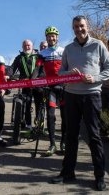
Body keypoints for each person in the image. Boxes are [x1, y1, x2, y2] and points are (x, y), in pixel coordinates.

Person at [51, 15, 109, 191]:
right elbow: (60, 72)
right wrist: (69, 73)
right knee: (71, 135)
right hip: (71, 95)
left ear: (87, 26)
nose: (79, 29)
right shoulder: (69, 49)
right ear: (73, 29)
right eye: (76, 27)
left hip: (91, 95)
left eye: (82, 26)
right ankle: (68, 173)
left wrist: (94, 78)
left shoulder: (98, 45)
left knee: (94, 136)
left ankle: (99, 176)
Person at [32, 26, 66, 156]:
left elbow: (69, 66)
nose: (51, 38)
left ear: (57, 37)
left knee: (65, 116)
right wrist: (32, 82)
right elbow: (37, 69)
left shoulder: (64, 51)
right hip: (50, 87)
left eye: (53, 36)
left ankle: (63, 142)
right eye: (49, 36)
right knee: (50, 115)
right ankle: (52, 144)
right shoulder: (43, 53)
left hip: (63, 86)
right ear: (46, 38)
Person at [11, 39, 40, 129]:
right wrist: (8, 75)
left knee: (38, 104)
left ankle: (38, 122)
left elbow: (41, 69)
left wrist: (36, 79)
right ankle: (28, 124)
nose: (27, 47)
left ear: (32, 47)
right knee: (26, 104)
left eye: (28, 45)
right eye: (25, 45)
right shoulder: (19, 58)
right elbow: (12, 68)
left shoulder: (38, 57)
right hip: (25, 84)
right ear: (22, 47)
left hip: (37, 84)